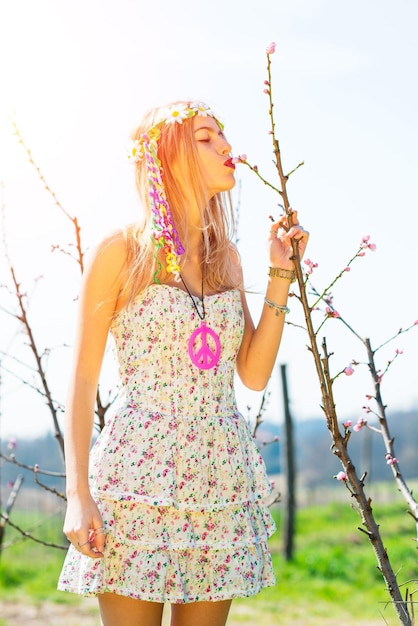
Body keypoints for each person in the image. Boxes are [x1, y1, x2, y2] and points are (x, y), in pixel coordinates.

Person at [58, 100, 308, 626]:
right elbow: (82, 382)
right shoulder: (120, 252)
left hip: (219, 479)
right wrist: (78, 495)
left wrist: (280, 273)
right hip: (136, 480)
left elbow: (253, 374)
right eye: (205, 137)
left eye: (223, 136)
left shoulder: (227, 258)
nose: (225, 148)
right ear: (166, 156)